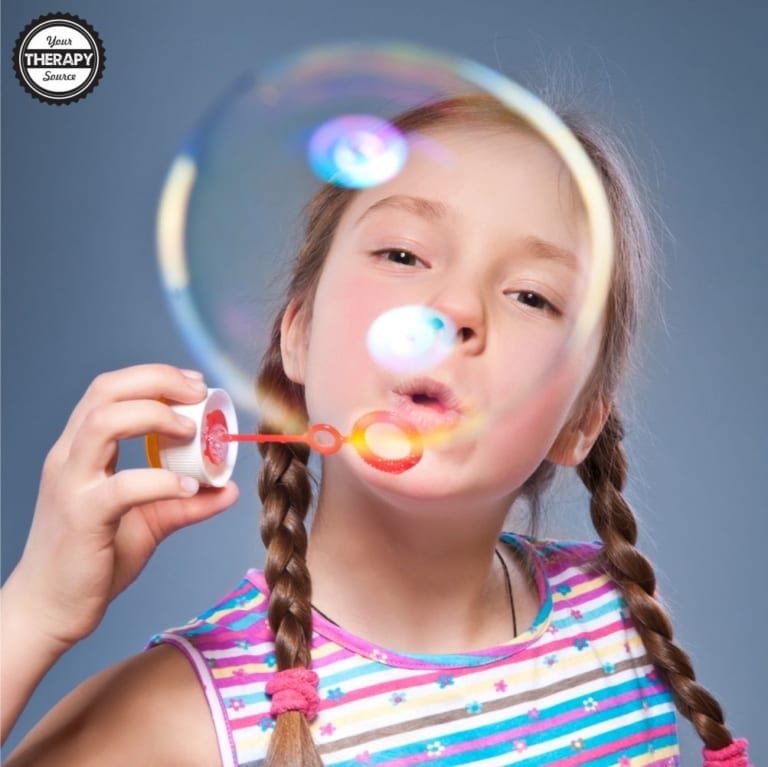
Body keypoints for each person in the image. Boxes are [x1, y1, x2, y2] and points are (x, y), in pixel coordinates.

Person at [1, 94, 751, 767]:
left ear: (581, 422)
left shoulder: (619, 622)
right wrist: (34, 610)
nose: (455, 306)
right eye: (402, 254)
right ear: (297, 333)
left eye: (531, 294)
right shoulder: (183, 712)